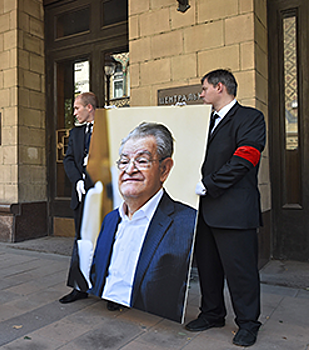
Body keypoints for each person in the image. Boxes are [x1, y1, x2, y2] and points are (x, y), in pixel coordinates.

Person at [185, 69, 266, 347]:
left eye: (204, 88)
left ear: (220, 87)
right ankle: (212, 313)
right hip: (205, 211)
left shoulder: (250, 118)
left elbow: (245, 159)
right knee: (208, 268)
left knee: (240, 271)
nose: (201, 93)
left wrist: (210, 184)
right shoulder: (204, 122)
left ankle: (247, 323)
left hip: (234, 211)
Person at [86, 123, 196, 322]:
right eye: (124, 161)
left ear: (164, 169)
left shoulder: (188, 224)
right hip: (100, 313)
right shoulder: (110, 219)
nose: (130, 170)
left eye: (142, 161)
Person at [59, 92, 97, 304]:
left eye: (77, 108)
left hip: (103, 192)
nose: (74, 112)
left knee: (104, 239)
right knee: (82, 239)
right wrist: (78, 181)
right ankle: (79, 287)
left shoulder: (106, 128)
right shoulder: (75, 133)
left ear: (89, 108)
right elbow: (69, 159)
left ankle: (105, 290)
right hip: (81, 193)